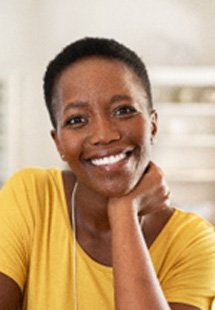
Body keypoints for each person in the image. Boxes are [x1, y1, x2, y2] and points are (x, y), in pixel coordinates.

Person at [0, 37, 214, 310]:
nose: (104, 135)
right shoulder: (32, 195)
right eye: (77, 120)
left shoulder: (194, 243)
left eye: (123, 110)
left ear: (153, 126)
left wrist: (124, 212)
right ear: (59, 143)